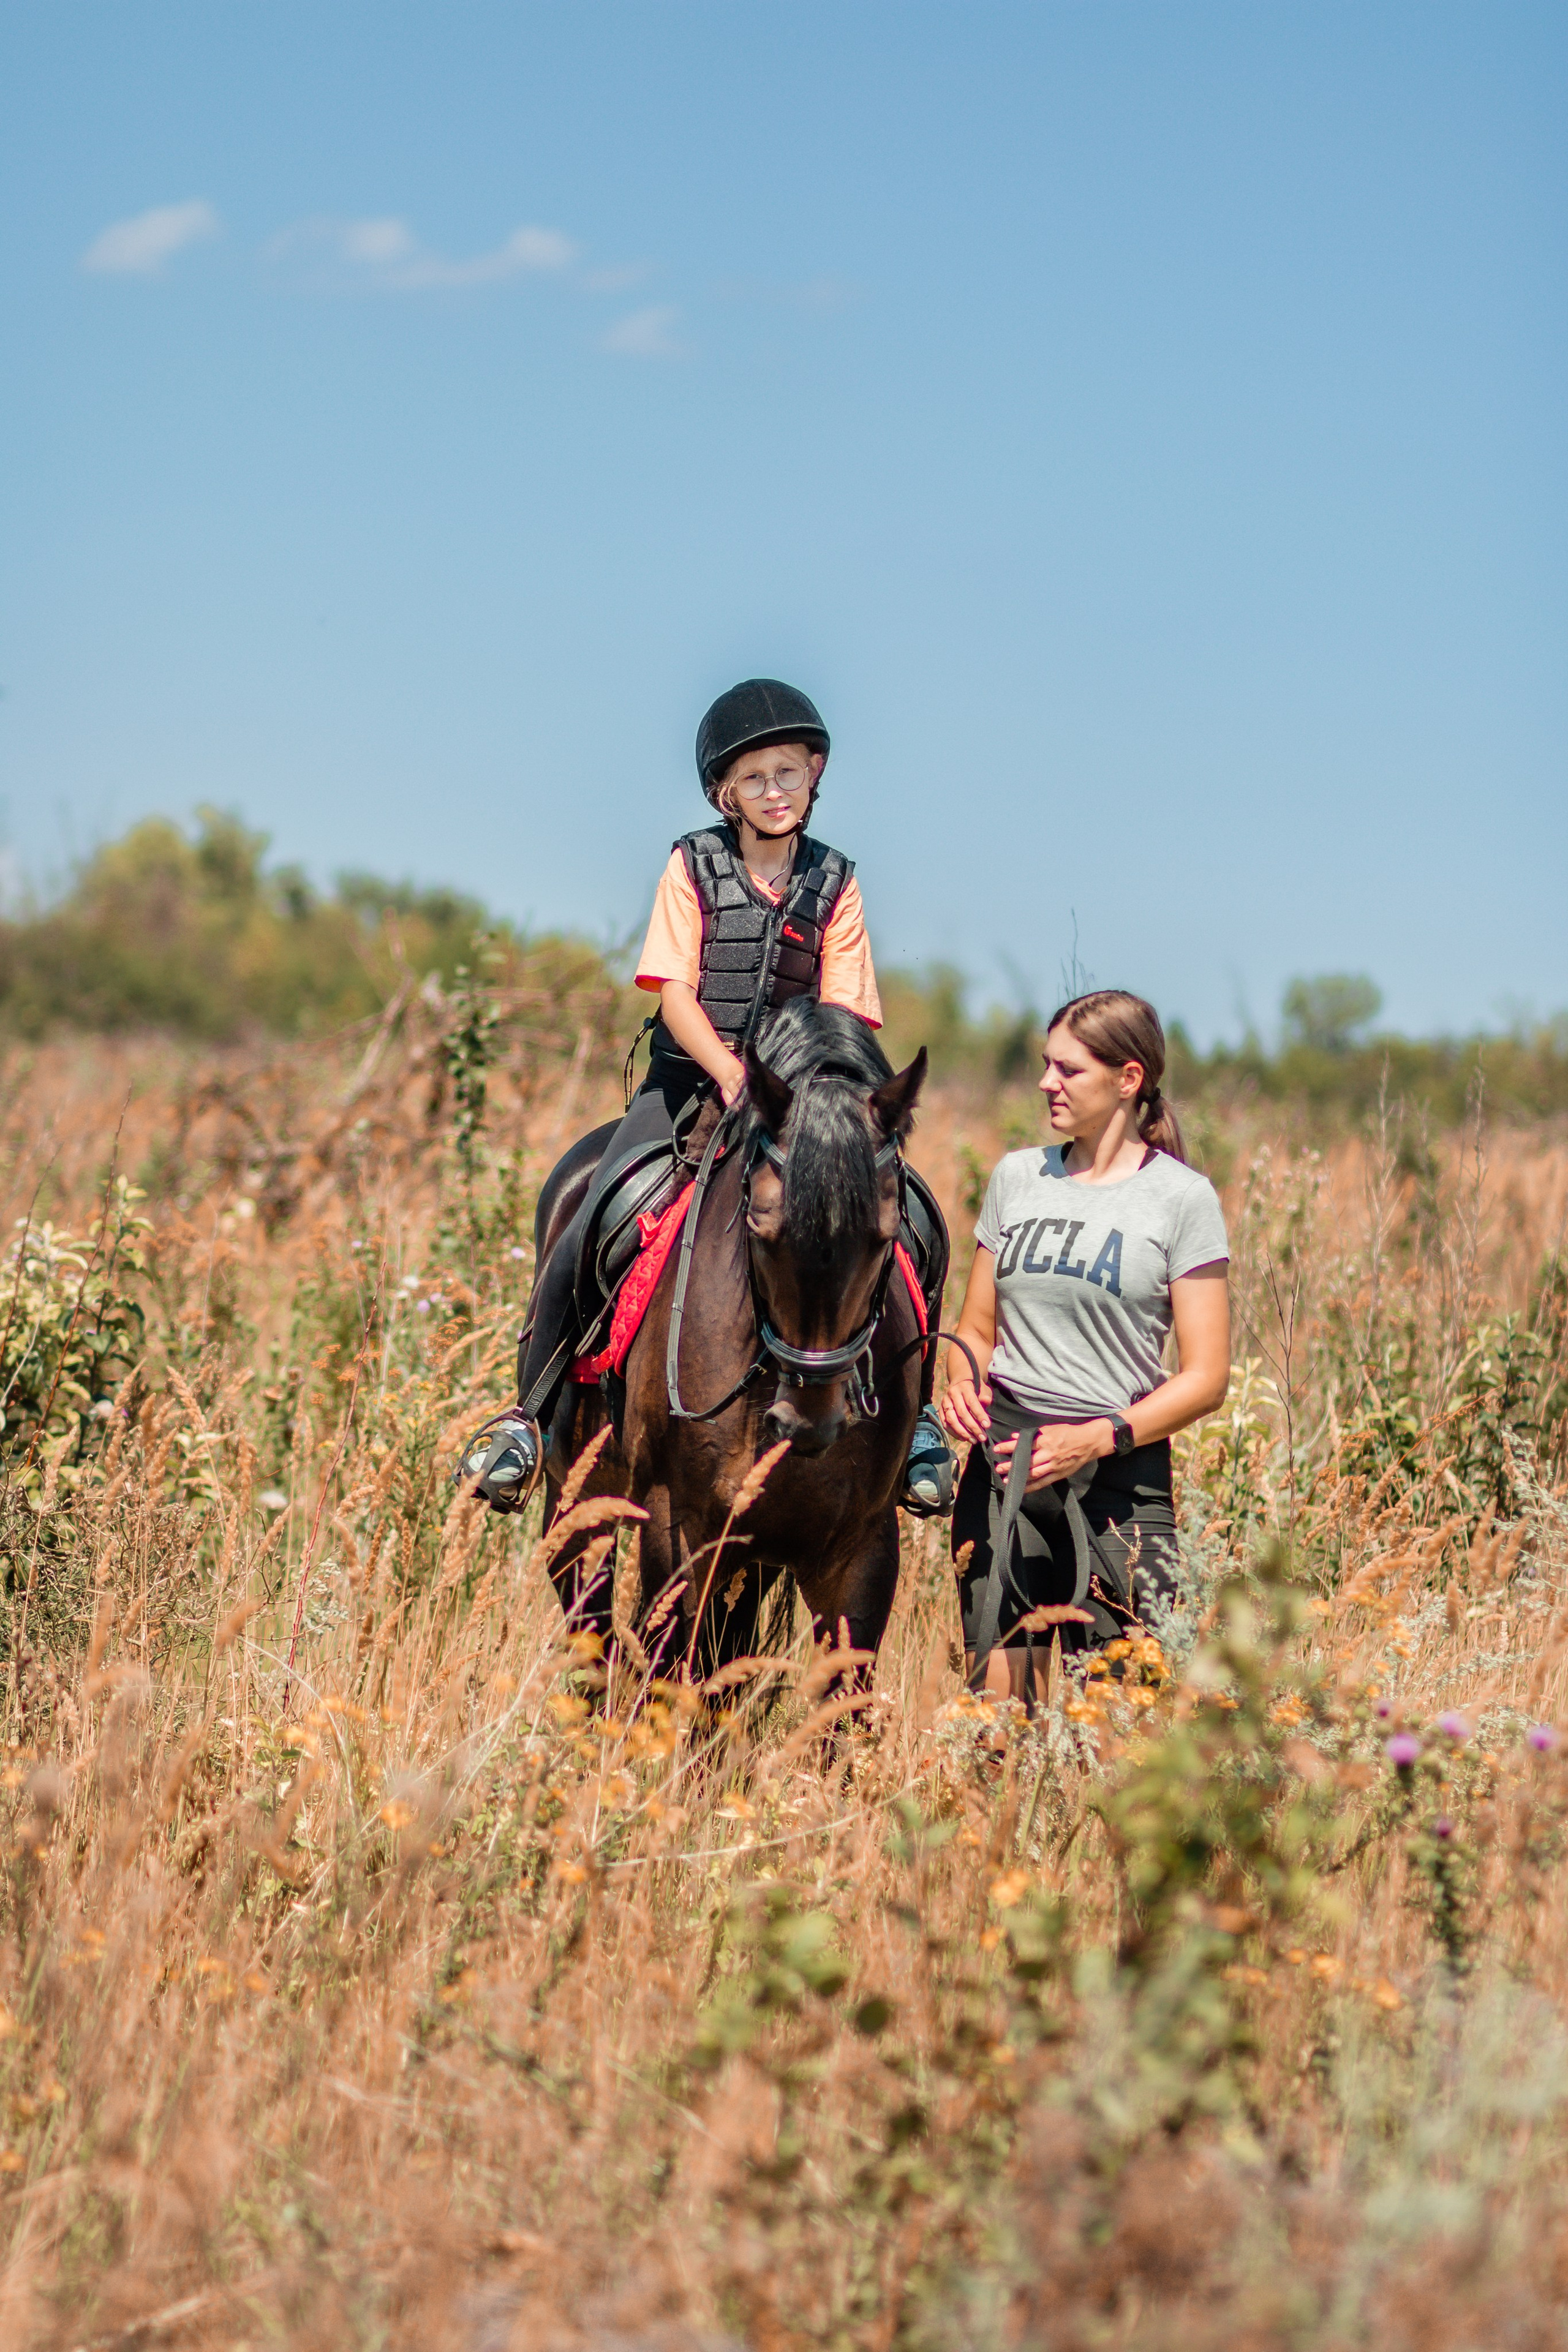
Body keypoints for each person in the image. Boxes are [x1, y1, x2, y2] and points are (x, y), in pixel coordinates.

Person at [499, 678, 957, 1509]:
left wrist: (835, 1105)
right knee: (593, 1202)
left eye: (788, 773)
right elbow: (673, 990)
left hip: (803, 1106)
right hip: (694, 1093)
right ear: (726, 793)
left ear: (814, 774)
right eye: (755, 779)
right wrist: (733, 1073)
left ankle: (916, 1421)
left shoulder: (837, 882)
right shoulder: (693, 864)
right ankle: (527, 1418)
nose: (774, 791)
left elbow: (848, 1007)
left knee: (919, 1219)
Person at [939, 989, 1231, 1701]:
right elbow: (975, 1330)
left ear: (1127, 1079)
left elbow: (1207, 1377)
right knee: (996, 1737)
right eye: (1045, 1066)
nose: (1046, 1083)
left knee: (1120, 1740)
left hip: (1117, 1482)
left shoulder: (1183, 1200)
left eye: (1067, 1070)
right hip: (1001, 1470)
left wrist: (1094, 1440)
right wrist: (961, 1384)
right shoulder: (1017, 1177)